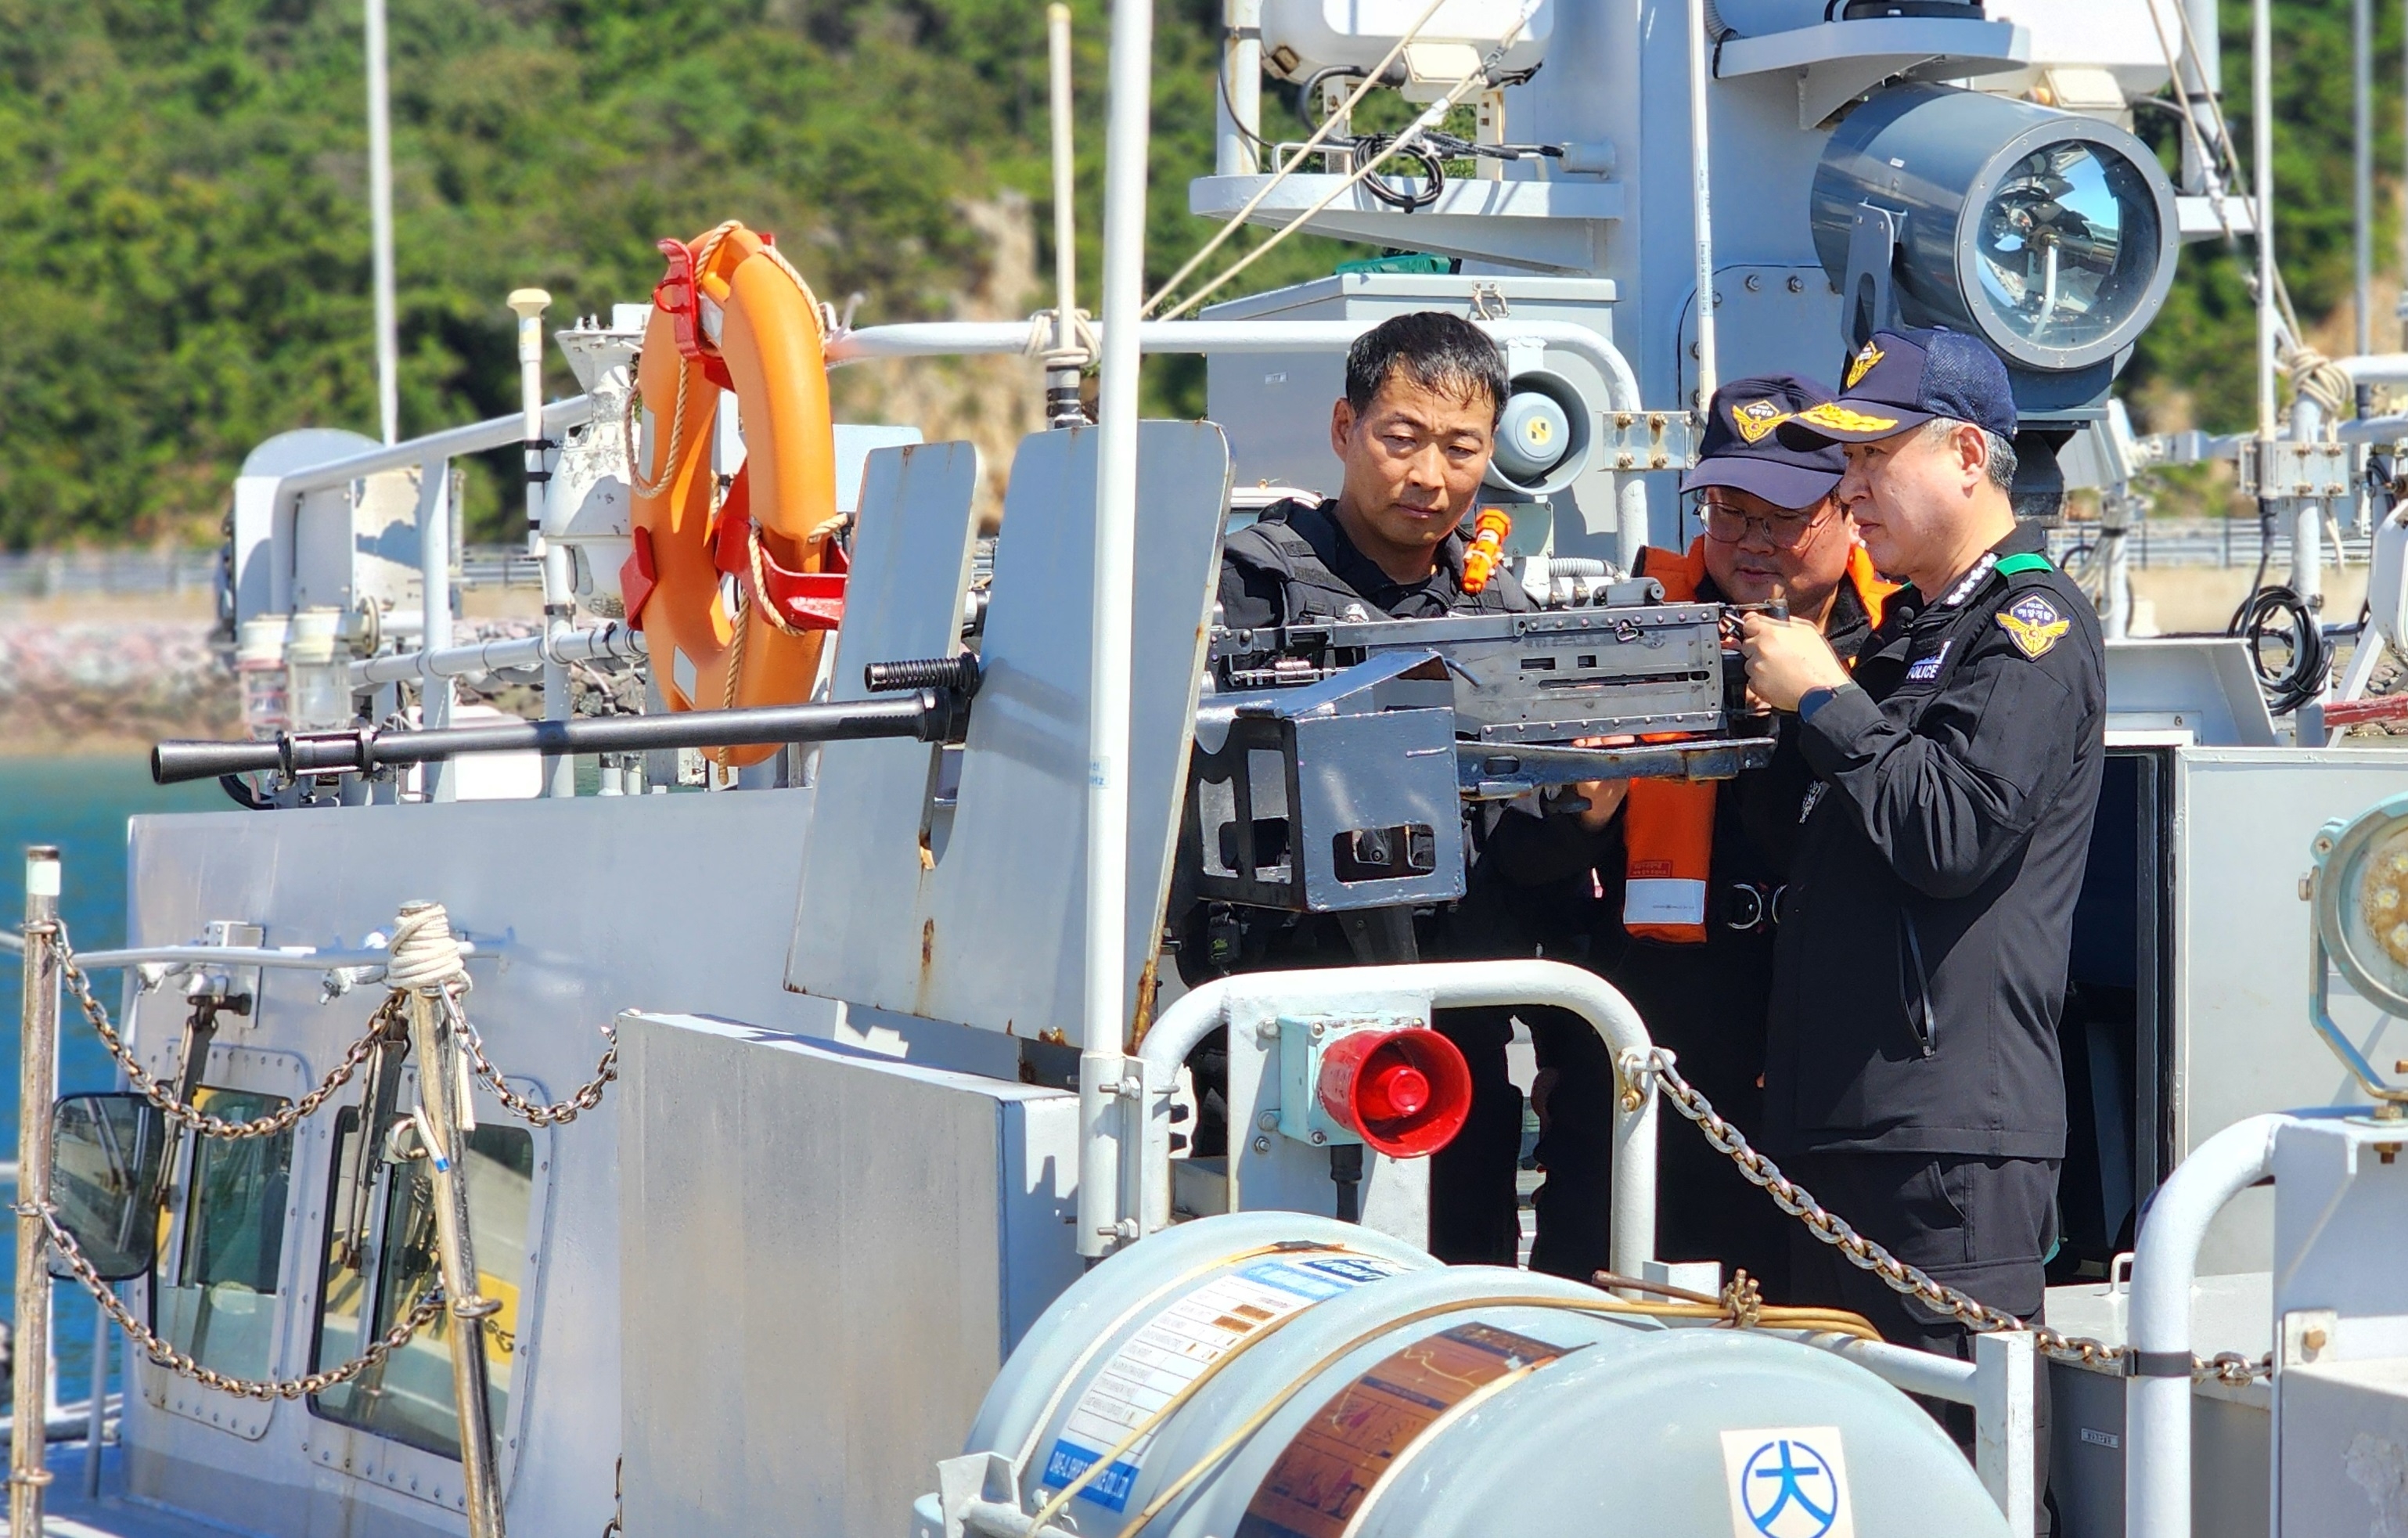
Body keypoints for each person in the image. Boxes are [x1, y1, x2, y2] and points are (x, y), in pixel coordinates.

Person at [1740, 327, 2105, 1455]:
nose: (1848, 492)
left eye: (1872, 458)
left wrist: (1823, 702)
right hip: (1849, 1129)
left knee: (1954, 1465)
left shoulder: (2031, 629)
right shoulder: (1913, 633)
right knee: (1851, 1465)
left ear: (1961, 454)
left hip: (1945, 1148)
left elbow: (1950, 830)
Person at [1481, 374, 1901, 1290]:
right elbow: (1525, 866)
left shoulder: (1898, 650)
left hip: (1828, 1073)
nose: (1748, 540)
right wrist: (1585, 792)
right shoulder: (1619, 636)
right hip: (1645, 1064)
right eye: (1726, 511)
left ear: (1845, 512)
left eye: (1780, 515)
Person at [1193, 312, 1595, 1263]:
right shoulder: (1247, 589)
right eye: (1400, 439)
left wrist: (1587, 803)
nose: (1429, 477)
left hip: (1454, 1042)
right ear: (1344, 429)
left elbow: (1526, 858)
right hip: (1279, 1033)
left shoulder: (1502, 615)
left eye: (1461, 448)